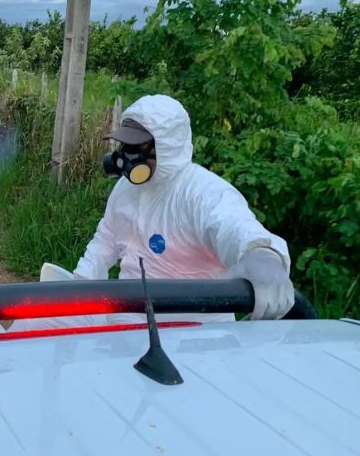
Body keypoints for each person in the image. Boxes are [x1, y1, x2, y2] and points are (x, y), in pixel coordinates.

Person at [72, 94, 294, 322]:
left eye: (136, 146)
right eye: (125, 145)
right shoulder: (126, 188)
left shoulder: (201, 192)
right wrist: (77, 286)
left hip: (196, 332)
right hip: (128, 318)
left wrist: (260, 255)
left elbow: (232, 225)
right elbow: (105, 240)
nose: (127, 156)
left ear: (166, 145)